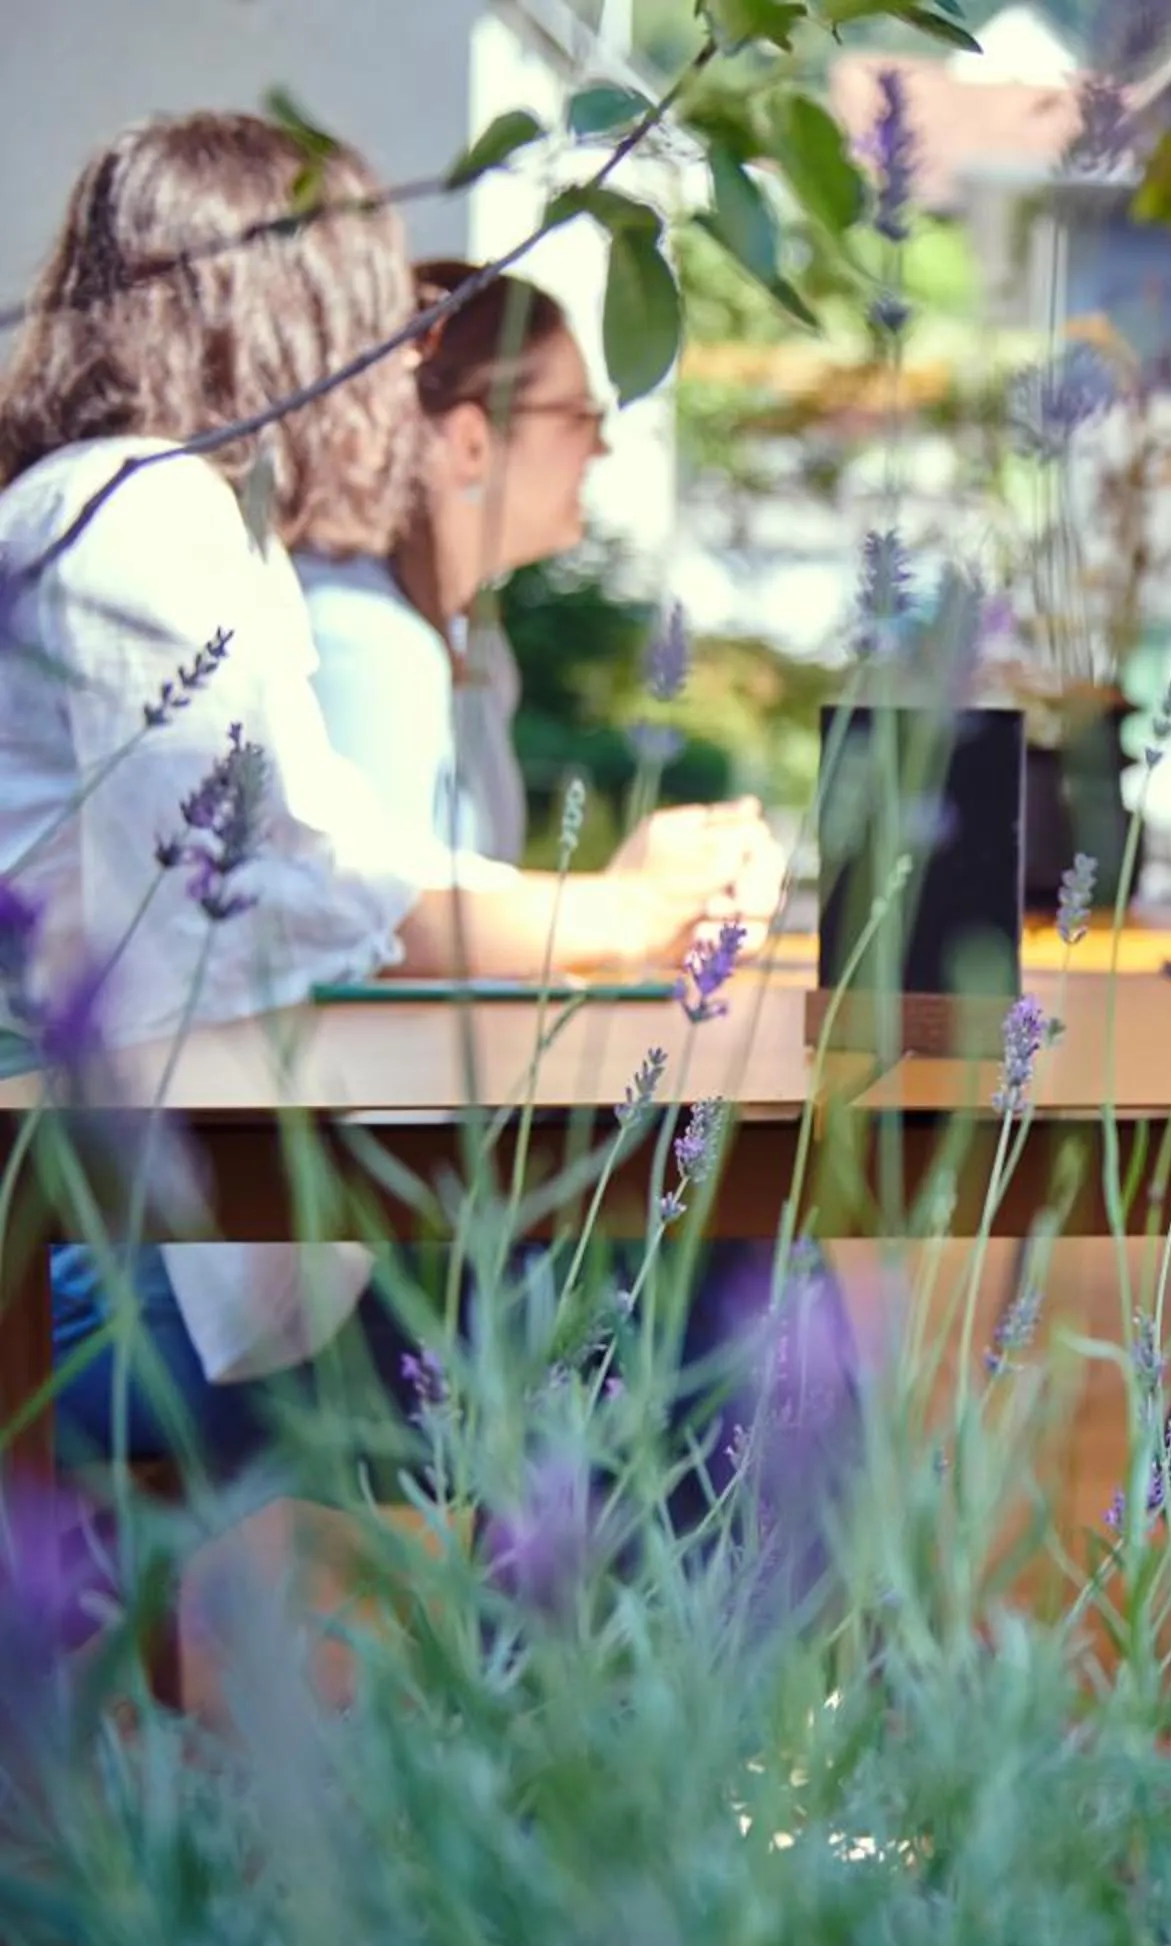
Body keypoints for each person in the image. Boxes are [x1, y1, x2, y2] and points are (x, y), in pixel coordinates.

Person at [0, 115, 755, 1466]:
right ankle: (639, 1679)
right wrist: (607, 918)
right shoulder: (132, 515)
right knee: (680, 1289)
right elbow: (267, 894)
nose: (404, 352)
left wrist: (611, 909)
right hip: (97, 1266)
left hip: (128, 1220)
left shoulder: (167, 515)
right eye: (375, 302)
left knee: (676, 1264)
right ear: (276, 304)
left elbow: (321, 858)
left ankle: (622, 1675)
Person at [302, 261, 778, 895]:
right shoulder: (360, 640)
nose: (599, 447)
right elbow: (384, 924)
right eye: (577, 415)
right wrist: (627, 903)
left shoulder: (468, 644)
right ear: (472, 442)